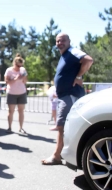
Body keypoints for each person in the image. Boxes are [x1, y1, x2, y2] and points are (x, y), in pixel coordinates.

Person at [41, 33, 93, 165]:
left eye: (63, 40)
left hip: (70, 94)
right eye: (58, 41)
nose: (60, 43)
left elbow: (88, 60)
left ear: (69, 41)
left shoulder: (72, 51)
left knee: (62, 125)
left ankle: (57, 156)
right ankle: (66, 154)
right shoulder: (65, 55)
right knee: (64, 126)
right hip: (65, 95)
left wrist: (79, 76)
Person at [4, 53, 28, 134]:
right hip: (11, 93)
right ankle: (9, 127)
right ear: (14, 63)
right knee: (11, 111)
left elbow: (25, 81)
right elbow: (7, 82)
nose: (19, 68)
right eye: (18, 66)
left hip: (22, 92)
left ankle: (21, 128)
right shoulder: (9, 70)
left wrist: (23, 77)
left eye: (20, 66)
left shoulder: (23, 70)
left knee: (21, 111)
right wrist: (15, 79)